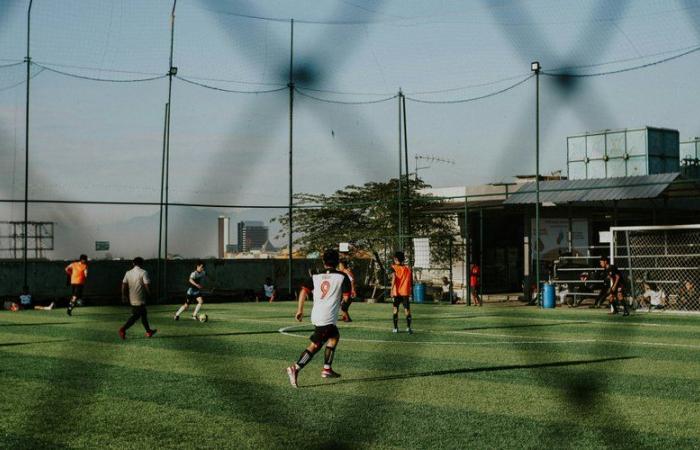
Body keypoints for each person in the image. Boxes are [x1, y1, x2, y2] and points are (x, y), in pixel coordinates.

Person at [286, 249, 351, 388]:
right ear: (337, 261)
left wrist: (300, 310)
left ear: (323, 261)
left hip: (317, 314)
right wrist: (344, 311)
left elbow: (303, 291)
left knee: (334, 336)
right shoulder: (342, 276)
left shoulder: (316, 276)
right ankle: (295, 368)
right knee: (315, 345)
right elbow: (347, 298)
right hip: (327, 317)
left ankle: (327, 369)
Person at [119, 257, 157, 339]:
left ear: (133, 263)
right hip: (140, 297)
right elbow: (147, 285)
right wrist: (151, 295)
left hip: (132, 297)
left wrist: (123, 295)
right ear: (142, 264)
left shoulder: (128, 273)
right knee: (136, 316)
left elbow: (123, 284)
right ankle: (123, 329)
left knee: (143, 314)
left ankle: (148, 331)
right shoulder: (143, 272)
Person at [391, 251, 413, 333]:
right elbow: (410, 281)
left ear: (396, 259)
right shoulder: (407, 269)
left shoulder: (393, 267)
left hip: (396, 293)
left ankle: (396, 328)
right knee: (407, 310)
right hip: (405, 292)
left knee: (395, 309)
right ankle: (408, 328)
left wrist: (391, 290)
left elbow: (393, 279)